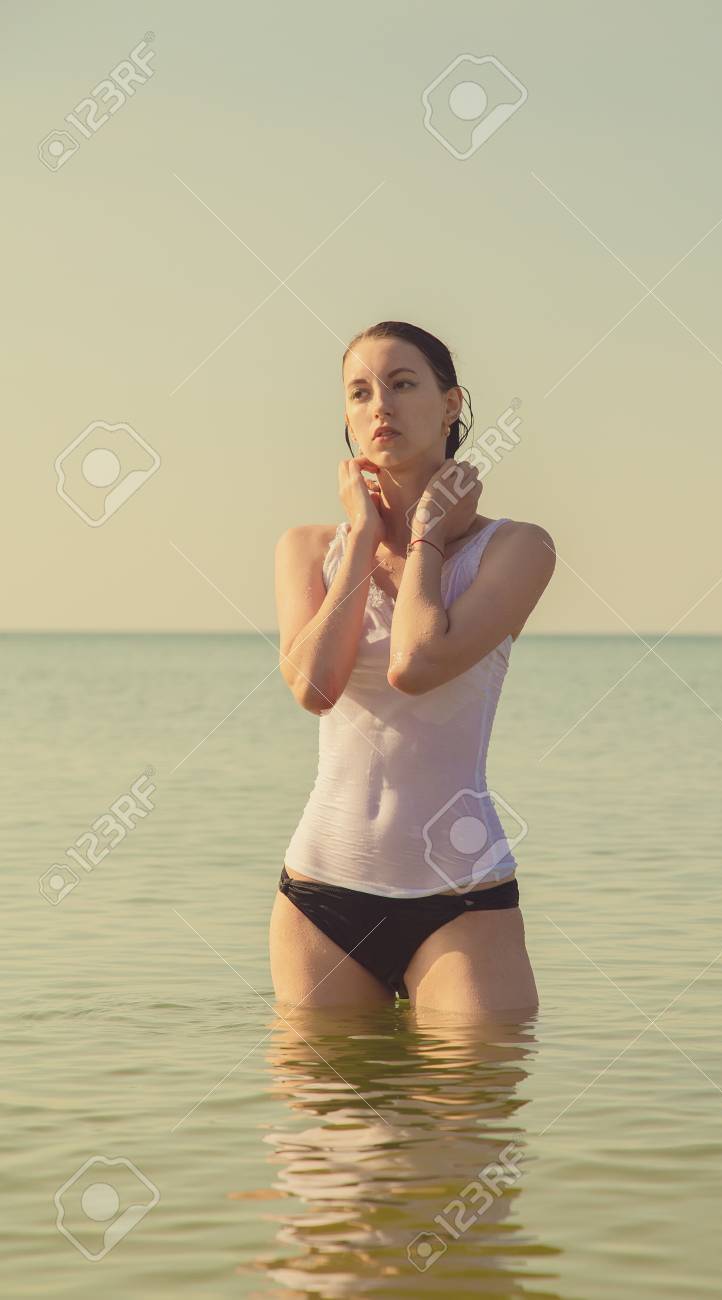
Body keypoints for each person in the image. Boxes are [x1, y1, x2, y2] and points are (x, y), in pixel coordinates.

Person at [269, 320, 556, 1014]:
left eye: (402, 385)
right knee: (331, 1124)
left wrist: (425, 530)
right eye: (361, 392)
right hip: (320, 894)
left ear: (451, 403)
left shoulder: (515, 549)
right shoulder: (310, 549)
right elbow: (312, 686)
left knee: (473, 1117)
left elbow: (417, 664)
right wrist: (365, 537)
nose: (380, 407)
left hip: (463, 899)